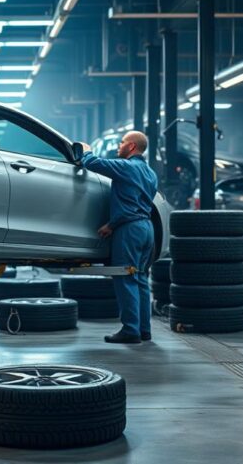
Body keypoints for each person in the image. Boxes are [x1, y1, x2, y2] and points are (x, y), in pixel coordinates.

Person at [79, 131, 158, 344]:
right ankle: (144, 330)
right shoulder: (151, 173)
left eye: (122, 142)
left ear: (131, 147)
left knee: (125, 278)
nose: (118, 146)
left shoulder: (126, 167)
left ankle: (130, 330)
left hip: (129, 230)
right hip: (146, 229)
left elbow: (93, 164)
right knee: (140, 278)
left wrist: (86, 151)